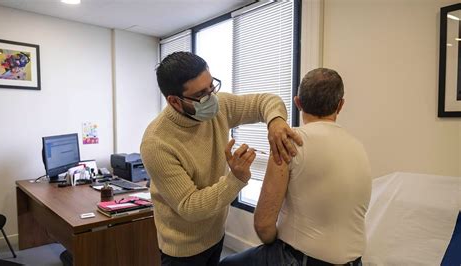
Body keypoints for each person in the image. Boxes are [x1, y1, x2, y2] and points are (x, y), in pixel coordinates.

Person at [140, 51, 303, 266]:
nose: (212, 98)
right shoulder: (157, 143)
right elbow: (190, 207)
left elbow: (266, 101)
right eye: (201, 94)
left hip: (216, 235)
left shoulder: (220, 106)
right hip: (182, 250)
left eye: (212, 86)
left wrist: (276, 121)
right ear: (174, 101)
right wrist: (235, 179)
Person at [220, 68, 372, 266]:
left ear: (297, 102)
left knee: (226, 263)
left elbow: (263, 225)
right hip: (354, 261)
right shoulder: (358, 147)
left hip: (301, 260)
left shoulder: (288, 144)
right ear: (340, 105)